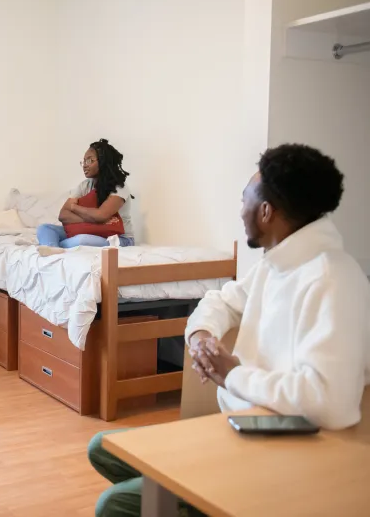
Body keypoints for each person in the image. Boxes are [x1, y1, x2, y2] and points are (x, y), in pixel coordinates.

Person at [87, 143, 370, 517]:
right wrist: (201, 337)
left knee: (115, 505)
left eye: (244, 199)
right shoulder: (277, 265)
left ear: (266, 211)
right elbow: (221, 300)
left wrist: (233, 374)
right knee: (101, 447)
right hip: (239, 429)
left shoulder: (331, 279)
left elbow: (330, 404)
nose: (240, 210)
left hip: (281, 454)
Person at [36, 139, 135, 254]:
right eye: (83, 161)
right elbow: (63, 215)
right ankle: (54, 249)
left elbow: (101, 215)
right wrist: (93, 218)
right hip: (90, 230)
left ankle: (54, 247)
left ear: (103, 161)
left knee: (81, 240)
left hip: (118, 239)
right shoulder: (85, 185)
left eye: (89, 160)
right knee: (45, 228)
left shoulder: (119, 187)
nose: (84, 165)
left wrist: (75, 208)